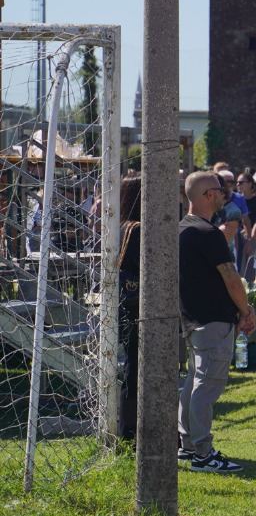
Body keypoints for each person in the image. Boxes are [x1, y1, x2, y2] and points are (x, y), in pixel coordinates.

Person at [177, 170, 256, 473]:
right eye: (221, 190)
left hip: (193, 318)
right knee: (206, 387)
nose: (226, 195)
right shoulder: (207, 233)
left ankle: (187, 446)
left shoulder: (183, 228)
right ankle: (203, 453)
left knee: (193, 384)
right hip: (212, 320)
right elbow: (232, 279)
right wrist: (246, 310)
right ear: (209, 195)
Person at [116, 175, 141, 441]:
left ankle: (129, 428)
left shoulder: (123, 225)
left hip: (124, 303)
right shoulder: (136, 229)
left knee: (132, 367)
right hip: (134, 305)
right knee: (133, 369)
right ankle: (129, 430)